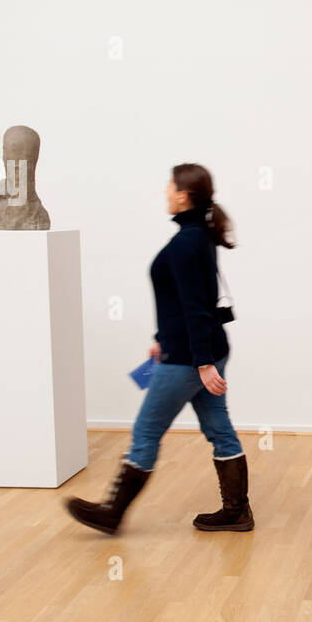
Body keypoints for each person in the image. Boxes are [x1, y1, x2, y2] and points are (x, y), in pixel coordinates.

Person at [65, 164, 255, 534]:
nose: (165, 192)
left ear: (183, 194)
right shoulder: (198, 235)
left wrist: (200, 363)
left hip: (189, 358)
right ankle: (236, 512)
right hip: (202, 350)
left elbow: (195, 307)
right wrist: (162, 338)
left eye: (169, 187)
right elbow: (185, 300)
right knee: (219, 429)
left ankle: (111, 513)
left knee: (146, 430)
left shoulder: (187, 242)